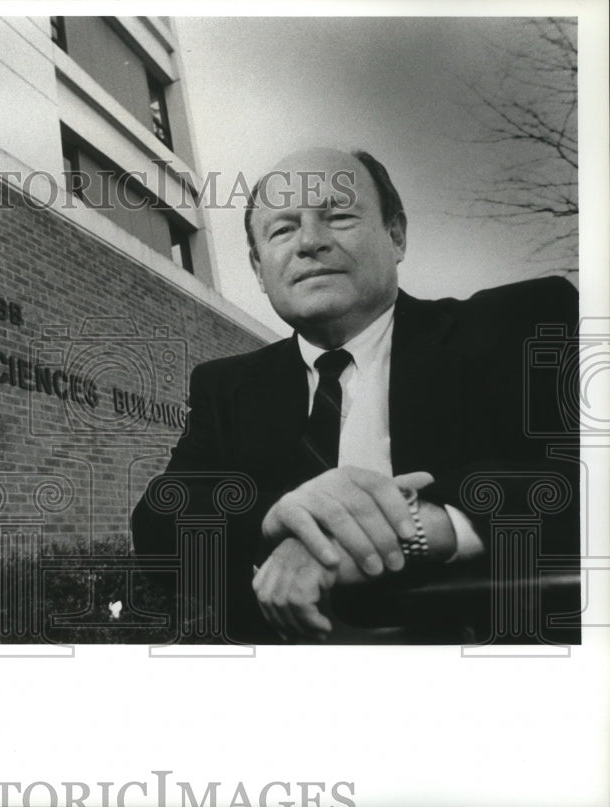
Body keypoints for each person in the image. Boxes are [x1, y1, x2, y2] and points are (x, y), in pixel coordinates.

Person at [131, 147, 579, 644]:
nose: (309, 242)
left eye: (338, 216)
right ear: (259, 270)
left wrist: (414, 527)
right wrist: (278, 516)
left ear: (396, 235)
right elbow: (159, 524)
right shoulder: (225, 385)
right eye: (282, 230)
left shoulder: (519, 326)